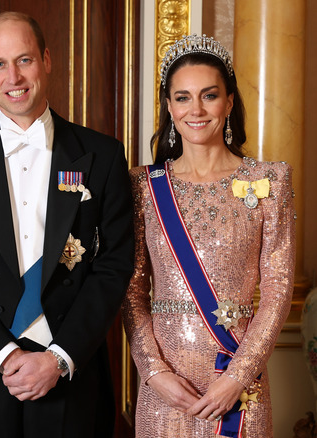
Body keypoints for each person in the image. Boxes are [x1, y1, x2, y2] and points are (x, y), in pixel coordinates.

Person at [0, 11, 134, 437]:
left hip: (71, 371)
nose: (13, 76)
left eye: (25, 60)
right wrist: (2, 355)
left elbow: (113, 267)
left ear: (47, 60)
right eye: (0, 63)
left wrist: (59, 358)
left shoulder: (102, 155)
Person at [122, 34, 295, 437]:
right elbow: (131, 292)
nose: (195, 110)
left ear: (230, 101)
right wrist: (153, 371)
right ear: (168, 107)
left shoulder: (269, 180)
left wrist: (237, 377)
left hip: (238, 383)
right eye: (182, 97)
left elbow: (278, 289)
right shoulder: (143, 186)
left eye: (209, 95)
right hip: (165, 390)